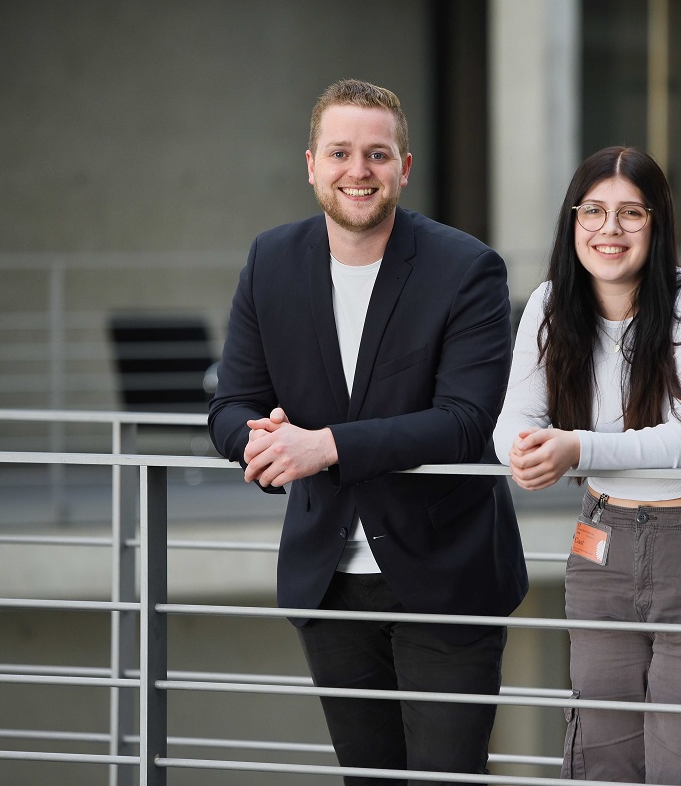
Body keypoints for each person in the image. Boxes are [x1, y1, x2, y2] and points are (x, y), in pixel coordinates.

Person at [209, 79, 528, 786]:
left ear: (404, 168)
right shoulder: (271, 260)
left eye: (378, 154)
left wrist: (325, 446)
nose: (359, 170)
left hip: (447, 577)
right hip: (330, 585)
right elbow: (230, 404)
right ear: (312, 164)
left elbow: (466, 422)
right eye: (342, 152)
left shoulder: (466, 268)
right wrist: (258, 440)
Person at [493, 146, 681, 784]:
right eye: (592, 211)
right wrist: (524, 452)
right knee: (602, 756)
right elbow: (516, 417)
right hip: (602, 545)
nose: (608, 230)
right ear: (572, 221)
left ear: (658, 223)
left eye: (630, 214)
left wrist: (576, 449)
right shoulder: (551, 304)